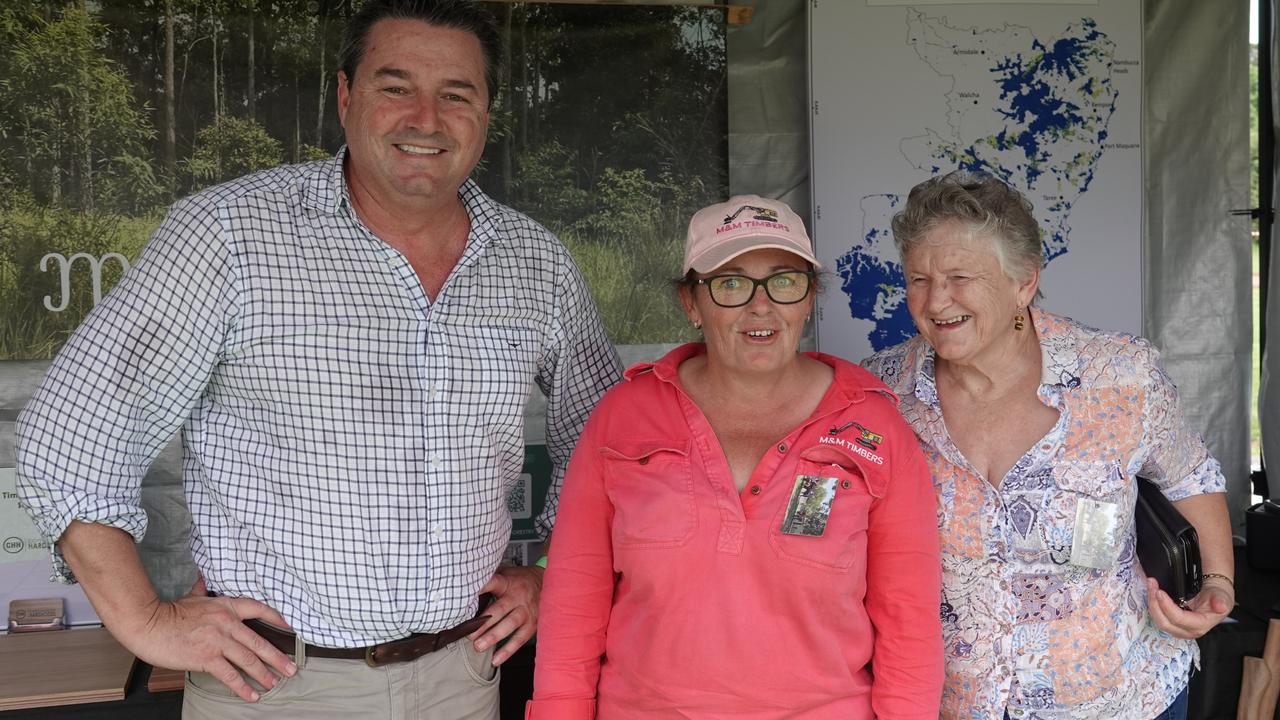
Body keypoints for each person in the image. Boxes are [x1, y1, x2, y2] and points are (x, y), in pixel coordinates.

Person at [15, 1, 621, 718]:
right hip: (278, 686)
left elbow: (610, 433)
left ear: (486, 113)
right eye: (395, 87)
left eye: (456, 93)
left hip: (463, 677)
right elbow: (68, 440)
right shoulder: (229, 236)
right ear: (344, 96)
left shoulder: (534, 263)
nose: (426, 117)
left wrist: (552, 572)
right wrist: (146, 622)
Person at [527, 195, 944, 718]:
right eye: (729, 283)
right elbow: (573, 603)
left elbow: (909, 623)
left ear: (809, 297)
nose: (760, 305)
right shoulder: (624, 416)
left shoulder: (874, 427)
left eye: (784, 280)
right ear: (690, 303)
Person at [861, 171, 1234, 720]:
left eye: (961, 277)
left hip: (1116, 694)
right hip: (952, 704)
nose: (937, 301)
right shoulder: (881, 393)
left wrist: (1218, 582)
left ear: (1024, 283)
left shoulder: (1119, 376)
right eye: (918, 279)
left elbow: (1190, 475)